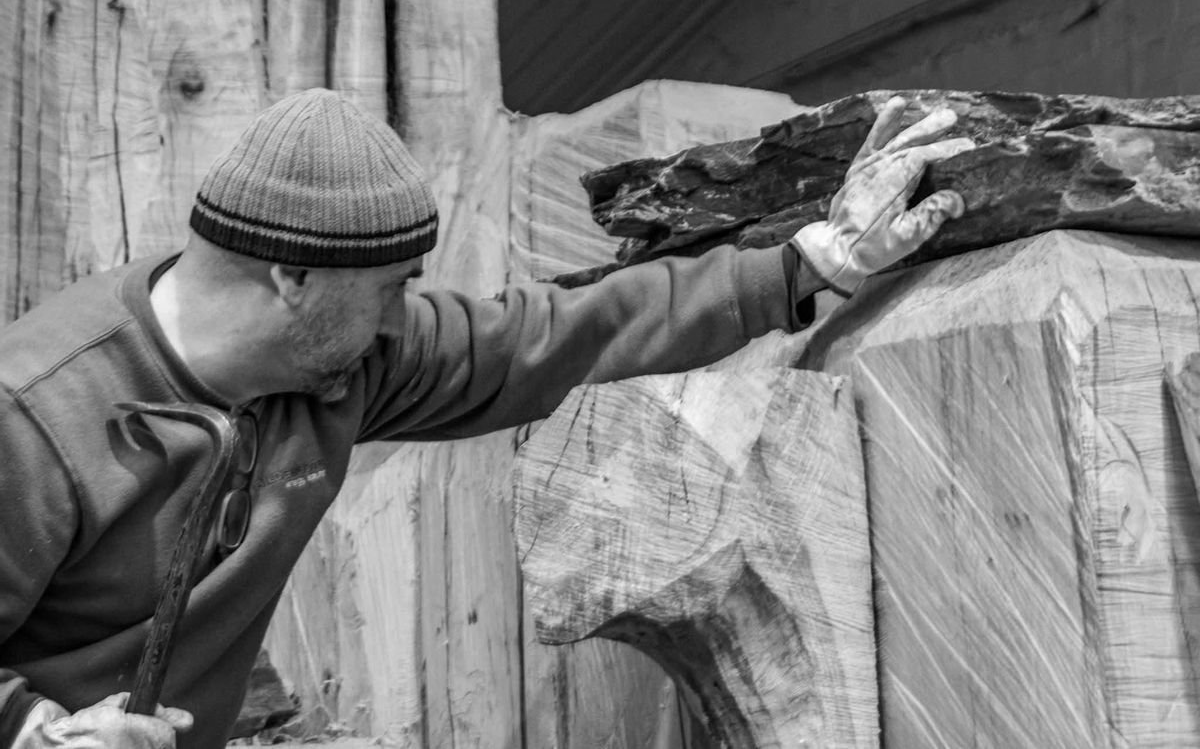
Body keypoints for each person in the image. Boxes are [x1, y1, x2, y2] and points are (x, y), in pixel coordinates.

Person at [0, 89, 972, 748]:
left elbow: (560, 332)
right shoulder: (37, 419)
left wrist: (809, 266)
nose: (403, 314)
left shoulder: (348, 364)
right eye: (390, 287)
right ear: (290, 277)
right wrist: (35, 731)